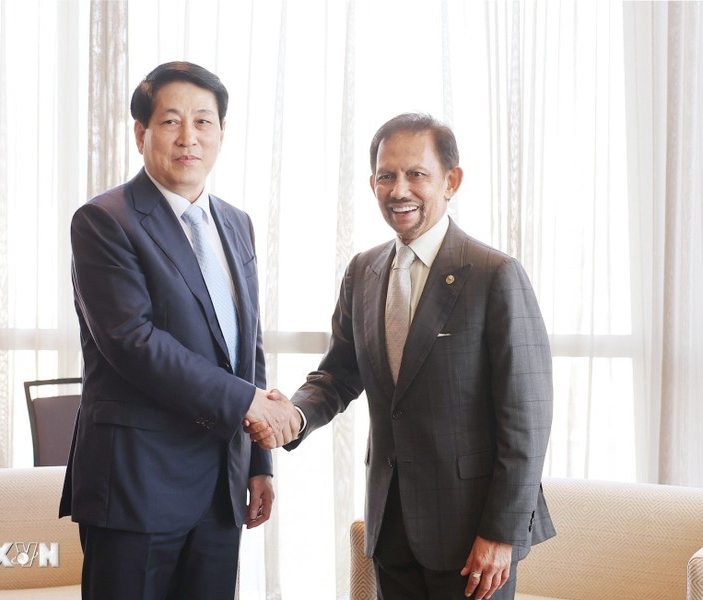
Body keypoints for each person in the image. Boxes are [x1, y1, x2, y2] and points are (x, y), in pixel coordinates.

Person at [248, 113, 556, 600]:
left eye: (417, 174)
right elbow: (337, 376)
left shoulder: (494, 274)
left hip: (473, 533)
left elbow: (528, 421)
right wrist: (295, 415)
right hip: (392, 526)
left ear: (451, 181)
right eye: (386, 176)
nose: (399, 190)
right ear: (372, 183)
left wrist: (502, 534)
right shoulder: (363, 271)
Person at [59, 61, 298, 600]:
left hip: (220, 488)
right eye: (170, 122)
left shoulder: (236, 223)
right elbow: (133, 343)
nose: (188, 137)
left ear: (221, 133)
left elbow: (246, 345)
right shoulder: (104, 220)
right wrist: (249, 404)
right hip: (136, 484)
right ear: (142, 133)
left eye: (203, 122)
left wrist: (259, 461)